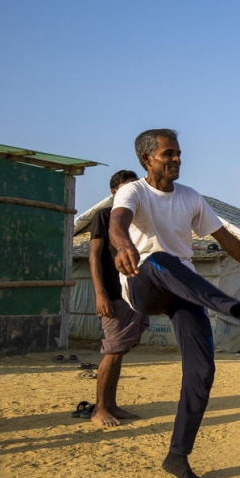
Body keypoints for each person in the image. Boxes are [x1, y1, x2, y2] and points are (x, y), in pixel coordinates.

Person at [110, 129, 240, 478]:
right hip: (145, 283)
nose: (176, 159)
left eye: (178, 153)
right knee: (159, 258)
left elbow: (227, 240)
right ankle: (235, 309)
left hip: (183, 289)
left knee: (202, 372)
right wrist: (124, 244)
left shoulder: (190, 198)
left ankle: (177, 456)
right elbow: (117, 223)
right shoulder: (133, 191)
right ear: (147, 160)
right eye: (168, 154)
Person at [88, 170, 150, 427]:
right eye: (126, 189)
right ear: (114, 192)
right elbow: (94, 256)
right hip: (112, 294)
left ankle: (111, 404)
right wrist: (100, 292)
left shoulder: (136, 219)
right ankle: (100, 409)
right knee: (113, 350)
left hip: (132, 293)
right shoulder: (104, 216)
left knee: (120, 350)